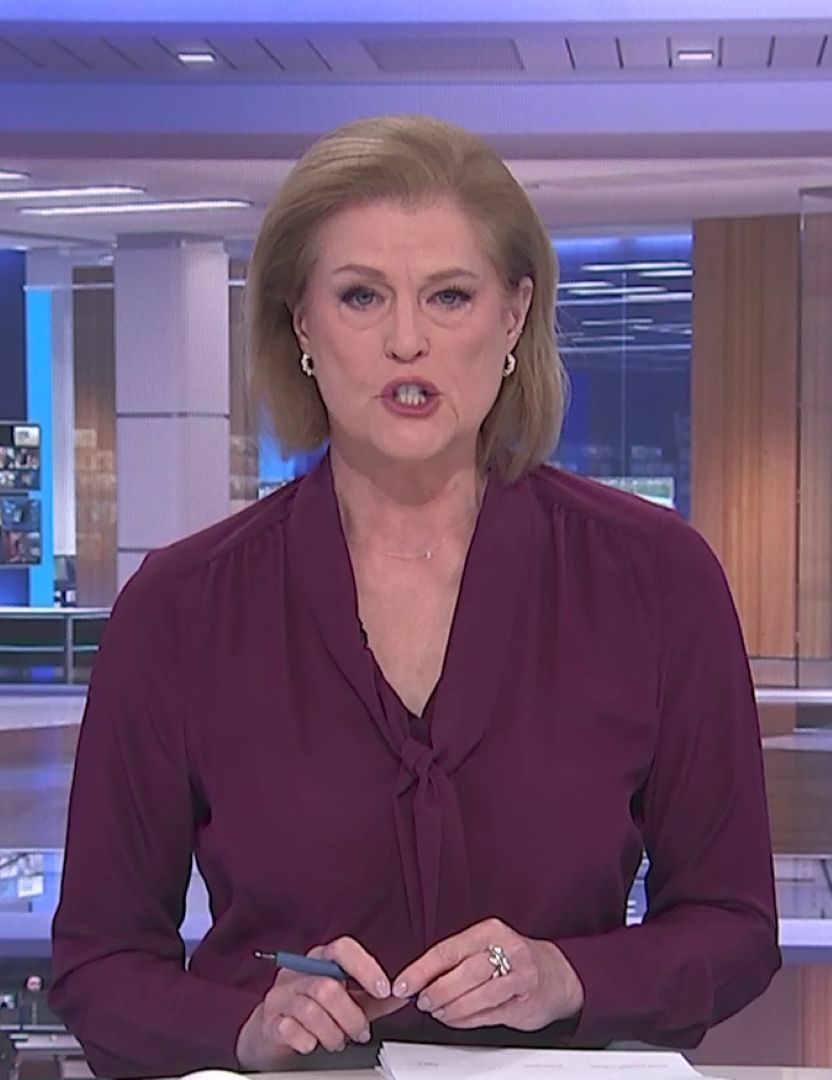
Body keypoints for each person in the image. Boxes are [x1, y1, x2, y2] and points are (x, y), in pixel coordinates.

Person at [50, 114, 780, 1078]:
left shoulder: (656, 577)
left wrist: (568, 976)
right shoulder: (181, 607)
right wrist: (243, 1026)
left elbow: (734, 928)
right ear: (301, 323)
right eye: (361, 296)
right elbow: (99, 964)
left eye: (449, 296)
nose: (407, 341)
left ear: (513, 316)